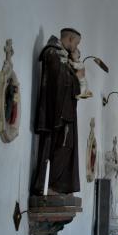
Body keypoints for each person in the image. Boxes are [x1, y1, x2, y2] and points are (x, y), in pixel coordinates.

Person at [31, 29, 83, 195]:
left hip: (64, 113)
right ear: (70, 39)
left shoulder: (62, 57)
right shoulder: (52, 52)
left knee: (65, 148)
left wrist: (75, 69)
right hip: (57, 114)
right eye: (76, 43)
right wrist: (76, 76)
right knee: (60, 147)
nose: (75, 47)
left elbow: (71, 85)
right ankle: (48, 185)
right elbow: (60, 82)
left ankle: (55, 185)